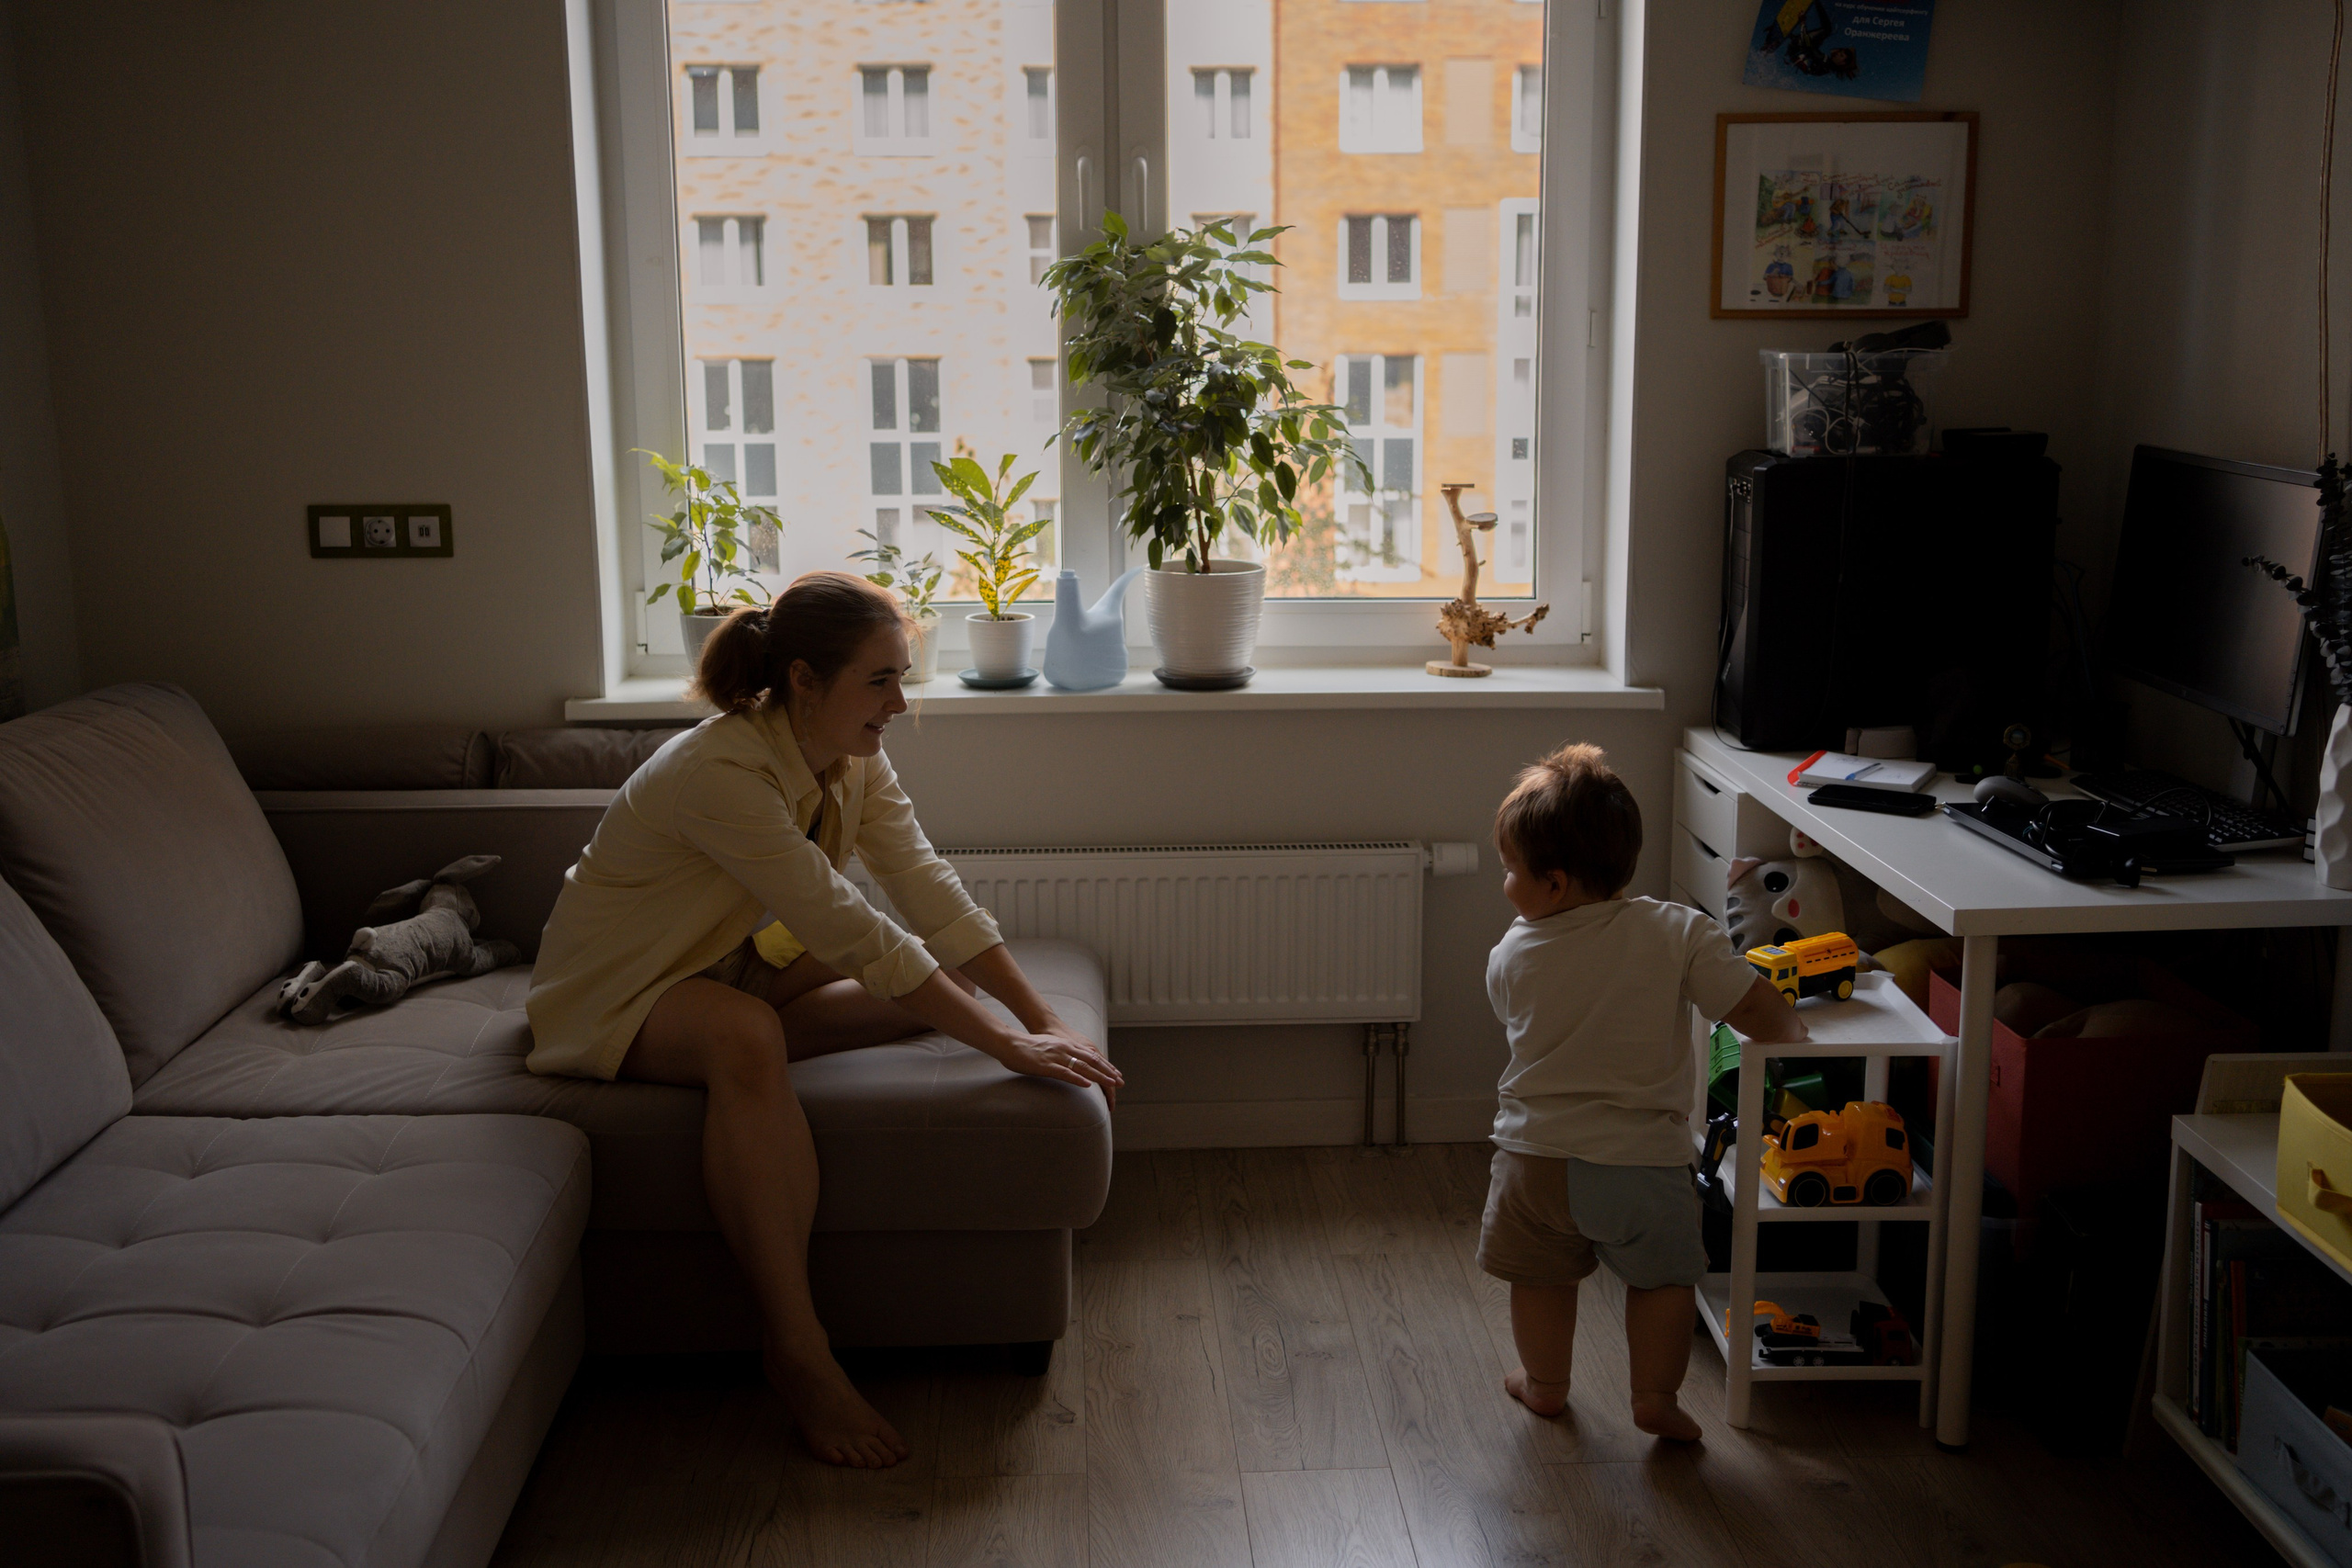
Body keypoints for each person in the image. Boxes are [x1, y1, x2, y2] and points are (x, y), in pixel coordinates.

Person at [526, 570, 1123, 1470]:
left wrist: (1037, 1017)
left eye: (903, 675)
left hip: (731, 963)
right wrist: (1004, 1043)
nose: (900, 701)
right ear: (805, 681)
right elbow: (847, 926)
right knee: (746, 1035)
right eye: (880, 679)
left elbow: (926, 889)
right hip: (623, 990)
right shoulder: (720, 772)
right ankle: (798, 1351)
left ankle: (805, 1060)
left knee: (909, 996)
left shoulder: (853, 758)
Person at [1476, 743, 1805, 1441]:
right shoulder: (1675, 931)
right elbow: (1751, 1008)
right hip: (1643, 1162)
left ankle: (1544, 1384)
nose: (1506, 884)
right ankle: (1655, 1395)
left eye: (1511, 871)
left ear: (1555, 884)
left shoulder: (1512, 953)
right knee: (1662, 1280)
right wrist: (1792, 1031)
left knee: (1541, 1279)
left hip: (1537, 1160)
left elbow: (1513, 1018)